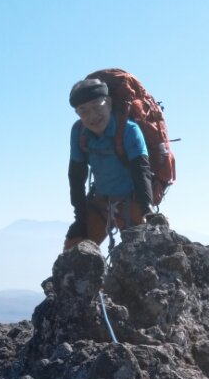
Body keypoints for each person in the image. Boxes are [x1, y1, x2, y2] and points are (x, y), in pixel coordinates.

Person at [65, 78, 154, 251]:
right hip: (101, 201)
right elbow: (76, 177)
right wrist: (80, 219)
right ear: (77, 113)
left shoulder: (128, 130)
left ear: (109, 103)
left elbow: (141, 171)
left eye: (97, 106)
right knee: (72, 253)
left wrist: (147, 211)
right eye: (83, 111)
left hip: (134, 201)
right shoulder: (78, 132)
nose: (92, 116)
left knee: (140, 255)